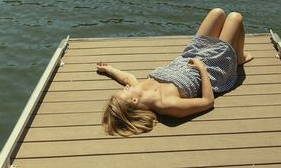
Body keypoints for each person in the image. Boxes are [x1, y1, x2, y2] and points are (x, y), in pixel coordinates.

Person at [96, 8, 253, 136]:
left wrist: (109, 69)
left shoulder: (140, 89)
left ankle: (236, 54)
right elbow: (207, 102)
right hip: (213, 66)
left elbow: (127, 77)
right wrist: (201, 68)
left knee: (217, 13)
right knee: (235, 17)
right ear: (134, 101)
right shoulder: (167, 104)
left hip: (190, 54)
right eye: (124, 91)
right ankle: (237, 57)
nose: (127, 87)